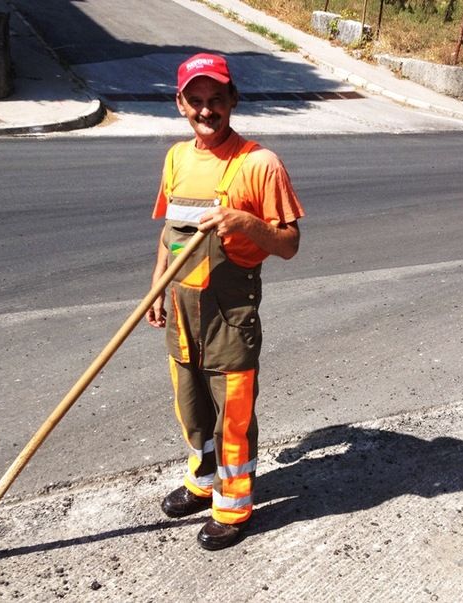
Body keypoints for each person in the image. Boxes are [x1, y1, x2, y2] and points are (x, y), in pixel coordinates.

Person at [145, 52, 305, 550]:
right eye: (195, 101)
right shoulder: (176, 158)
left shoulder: (260, 164)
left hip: (230, 318)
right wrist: (155, 288)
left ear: (233, 99)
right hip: (182, 311)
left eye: (216, 99)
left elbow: (289, 244)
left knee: (232, 417)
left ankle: (233, 507)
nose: (206, 110)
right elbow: (171, 235)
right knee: (191, 410)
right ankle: (203, 480)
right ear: (180, 104)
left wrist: (244, 222)